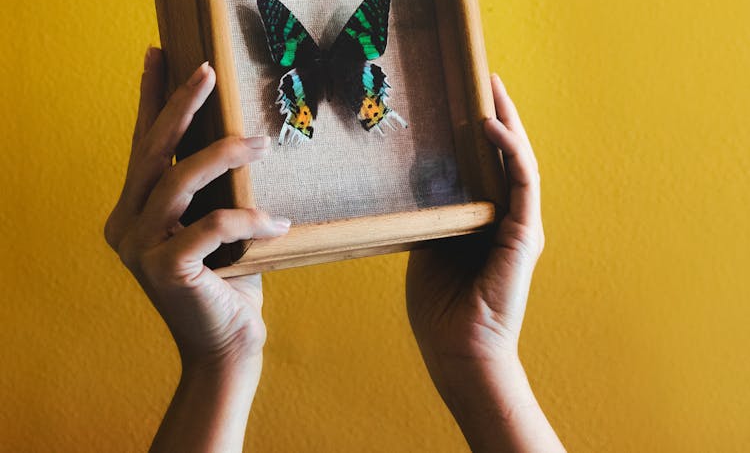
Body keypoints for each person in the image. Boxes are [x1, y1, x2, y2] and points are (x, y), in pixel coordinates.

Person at [104, 47, 565, 452]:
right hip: (338, 79)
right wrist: (221, 356)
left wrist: (482, 351)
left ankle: (319, 114)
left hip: (308, 81)